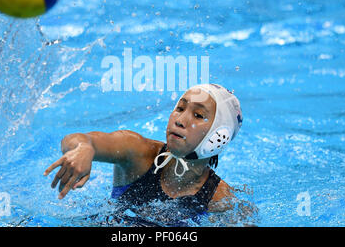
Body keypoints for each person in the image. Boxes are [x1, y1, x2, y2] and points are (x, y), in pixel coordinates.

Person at [44, 83, 255, 224]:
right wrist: (84, 148)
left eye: (198, 115)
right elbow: (80, 139)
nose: (179, 120)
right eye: (180, 108)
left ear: (219, 136)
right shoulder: (137, 153)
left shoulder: (220, 199)